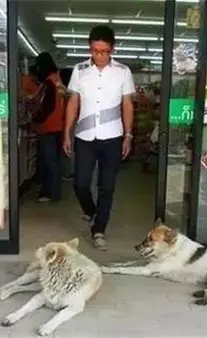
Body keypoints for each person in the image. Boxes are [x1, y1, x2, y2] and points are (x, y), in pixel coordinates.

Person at [63, 25, 135, 250]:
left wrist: (128, 135)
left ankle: (99, 229)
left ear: (112, 49)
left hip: (112, 137)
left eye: (104, 51)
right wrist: (67, 133)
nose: (100, 56)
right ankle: (91, 212)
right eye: (95, 51)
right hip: (84, 137)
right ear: (90, 48)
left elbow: (127, 104)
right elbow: (73, 102)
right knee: (81, 183)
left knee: (107, 186)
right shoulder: (80, 70)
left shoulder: (123, 71)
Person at [32, 52, 67, 203]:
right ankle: (53, 191)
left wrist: (35, 119)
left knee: (50, 162)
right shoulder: (58, 80)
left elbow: (47, 106)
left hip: (47, 127)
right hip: (58, 126)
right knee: (55, 162)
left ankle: (51, 193)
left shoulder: (48, 83)